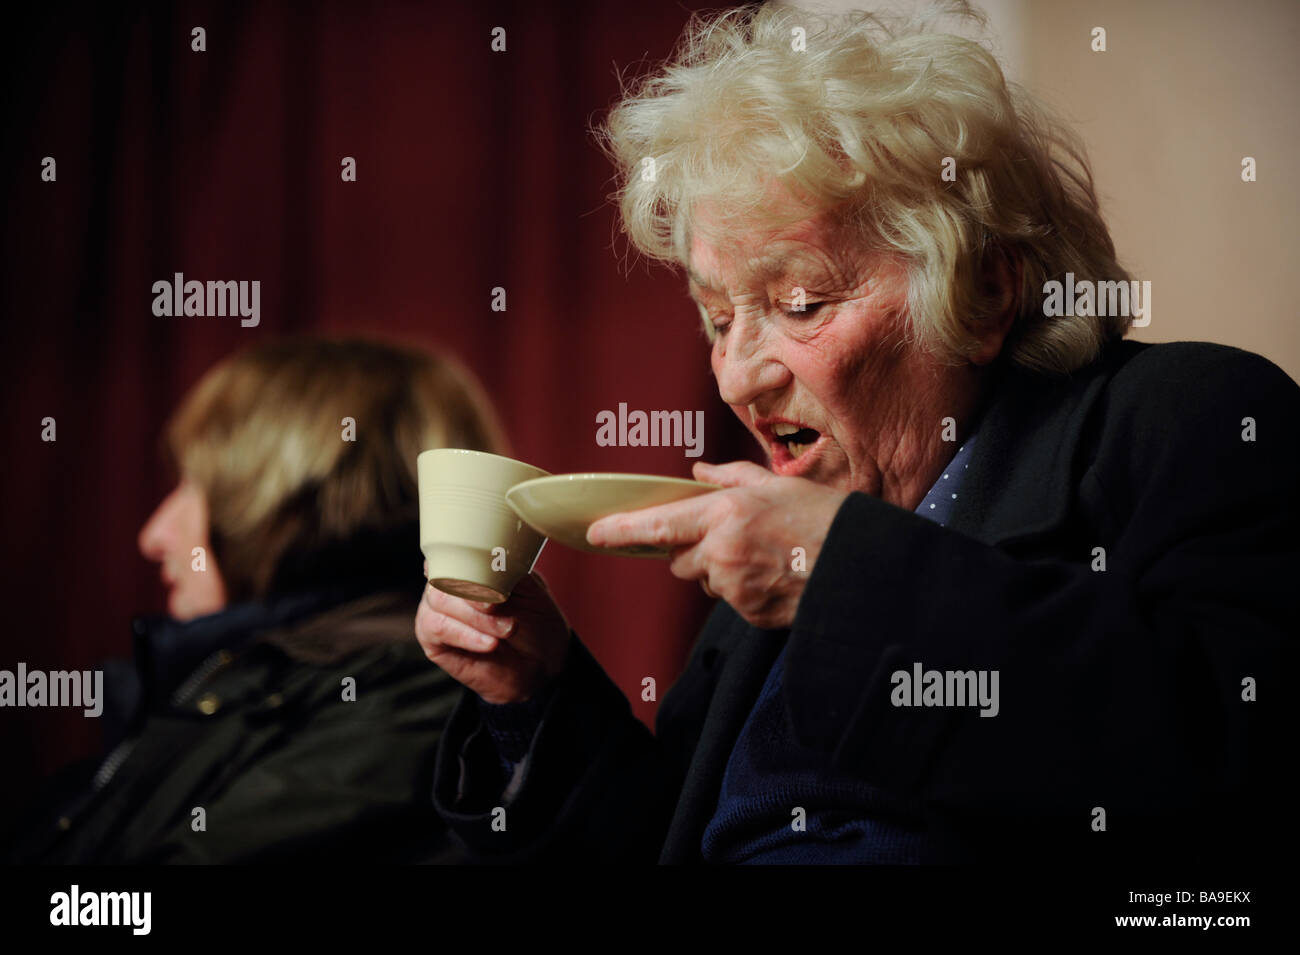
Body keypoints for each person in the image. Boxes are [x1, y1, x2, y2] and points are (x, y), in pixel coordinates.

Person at [415, 3, 1297, 863]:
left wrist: (841, 576)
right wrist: (534, 691)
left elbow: (1223, 757)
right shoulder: (788, 539)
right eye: (717, 319)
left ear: (984, 292)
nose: (735, 376)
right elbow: (663, 838)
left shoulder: (1195, 419)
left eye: (800, 304)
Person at [7, 337, 505, 863]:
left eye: (195, 486)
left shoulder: (407, 689)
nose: (153, 535)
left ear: (288, 503)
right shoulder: (258, 678)